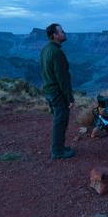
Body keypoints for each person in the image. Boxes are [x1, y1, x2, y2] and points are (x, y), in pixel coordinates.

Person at [40, 23, 75, 159]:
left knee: (58, 119)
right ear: (55, 35)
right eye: (62, 31)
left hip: (49, 91)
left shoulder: (45, 50)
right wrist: (69, 97)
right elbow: (63, 78)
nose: (65, 33)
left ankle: (59, 146)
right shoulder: (57, 52)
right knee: (61, 121)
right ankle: (57, 151)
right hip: (57, 92)